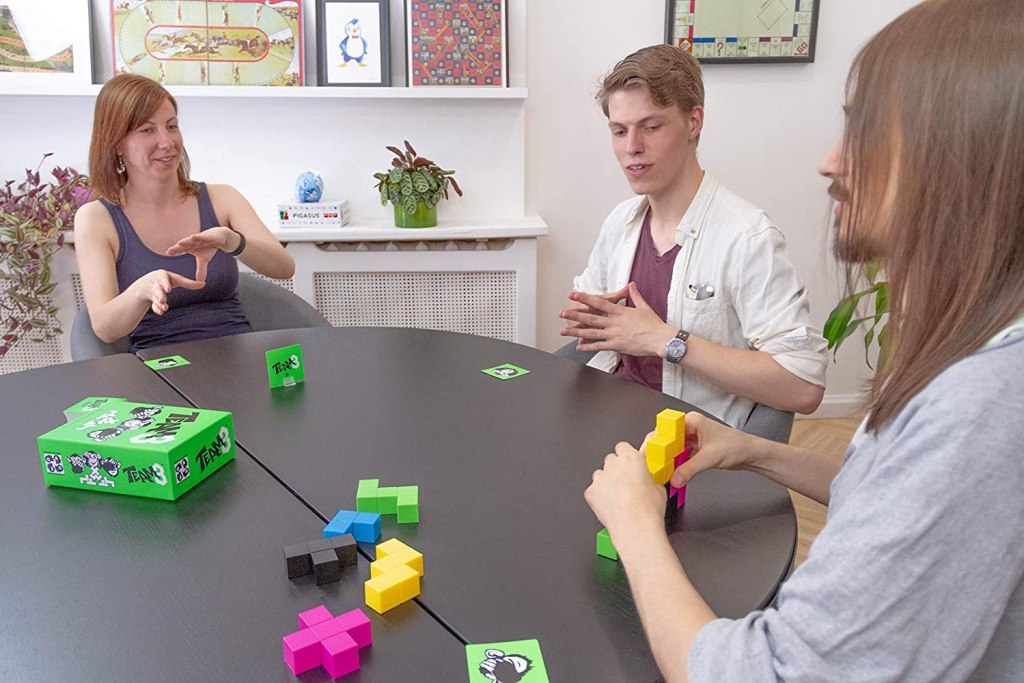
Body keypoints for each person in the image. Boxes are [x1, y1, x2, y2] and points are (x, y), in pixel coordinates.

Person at [584, 1, 1024, 680]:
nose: (828, 163)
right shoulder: (968, 356)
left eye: (864, 130)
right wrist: (752, 448)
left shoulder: (981, 407)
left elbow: (769, 671)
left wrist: (636, 527)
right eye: (619, 131)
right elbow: (890, 487)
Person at [559, 45, 827, 428]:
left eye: (651, 127)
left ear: (693, 122)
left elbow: (803, 386)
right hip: (610, 417)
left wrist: (665, 340)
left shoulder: (748, 237)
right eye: (619, 131)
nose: (632, 147)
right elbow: (592, 326)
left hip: (688, 448)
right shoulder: (620, 223)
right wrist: (592, 317)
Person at [75, 74, 294, 350]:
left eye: (171, 126)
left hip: (240, 358)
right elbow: (105, 328)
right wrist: (143, 290)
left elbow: (284, 268)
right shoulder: (96, 219)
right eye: (147, 130)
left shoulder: (222, 198)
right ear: (117, 143)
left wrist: (232, 241)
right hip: (161, 372)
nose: (167, 142)